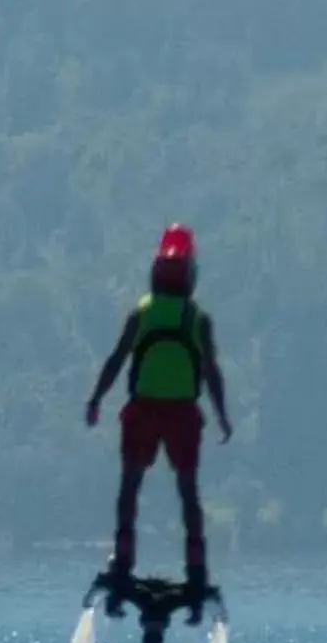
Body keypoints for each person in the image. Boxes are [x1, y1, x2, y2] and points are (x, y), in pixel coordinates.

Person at [84, 223, 233, 587]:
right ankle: (196, 566)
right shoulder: (197, 320)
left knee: (130, 487)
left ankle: (123, 557)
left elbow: (117, 359)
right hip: (182, 413)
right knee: (187, 491)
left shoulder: (142, 313)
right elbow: (211, 372)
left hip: (143, 410)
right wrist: (222, 415)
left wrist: (97, 398)